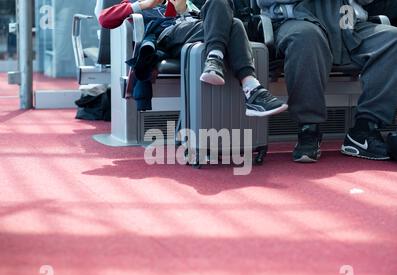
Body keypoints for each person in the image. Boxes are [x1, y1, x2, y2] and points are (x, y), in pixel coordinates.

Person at [259, 0, 397, 162]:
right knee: (306, 37)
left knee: (392, 39)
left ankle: (363, 131)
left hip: (345, 22)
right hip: (297, 18)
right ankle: (308, 129)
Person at [99, 0, 288, 117]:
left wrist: (185, 8)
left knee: (233, 19)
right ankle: (250, 88)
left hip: (201, 29)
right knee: (233, 24)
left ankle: (222, 65)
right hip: (169, 35)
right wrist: (144, 4)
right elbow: (104, 19)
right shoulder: (143, 3)